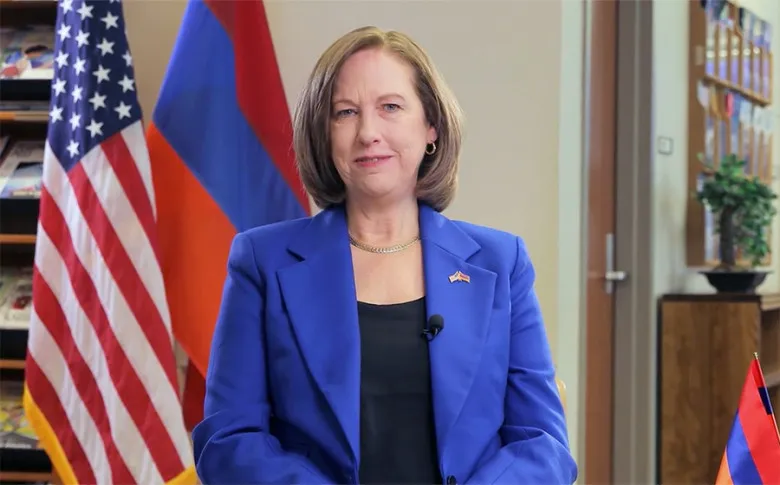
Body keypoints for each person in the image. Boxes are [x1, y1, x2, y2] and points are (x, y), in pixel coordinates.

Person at [191, 25, 577, 485]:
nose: (368, 132)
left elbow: (543, 444)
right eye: (345, 112)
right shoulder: (261, 261)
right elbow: (228, 442)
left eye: (390, 107)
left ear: (431, 126)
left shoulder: (500, 262)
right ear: (324, 134)